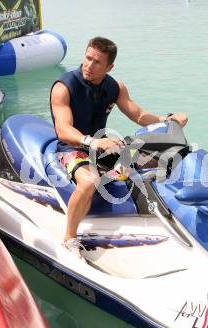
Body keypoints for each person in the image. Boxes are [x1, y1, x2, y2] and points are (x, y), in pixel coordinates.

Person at [50, 37, 188, 260]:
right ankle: (69, 238)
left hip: (102, 145)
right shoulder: (64, 87)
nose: (89, 65)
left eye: (97, 62)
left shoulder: (115, 87)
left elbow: (140, 116)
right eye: (88, 58)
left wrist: (169, 120)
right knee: (89, 181)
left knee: (159, 161)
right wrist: (91, 142)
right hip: (72, 147)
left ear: (109, 67)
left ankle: (171, 214)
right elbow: (63, 129)